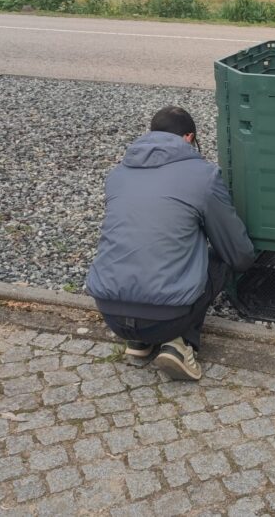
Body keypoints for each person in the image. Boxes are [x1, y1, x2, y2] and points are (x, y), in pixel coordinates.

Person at [86, 106, 255, 380]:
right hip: (168, 316)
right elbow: (238, 254)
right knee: (220, 258)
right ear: (189, 138)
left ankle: (138, 344)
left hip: (111, 313)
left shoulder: (117, 175)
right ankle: (180, 345)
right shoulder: (203, 176)